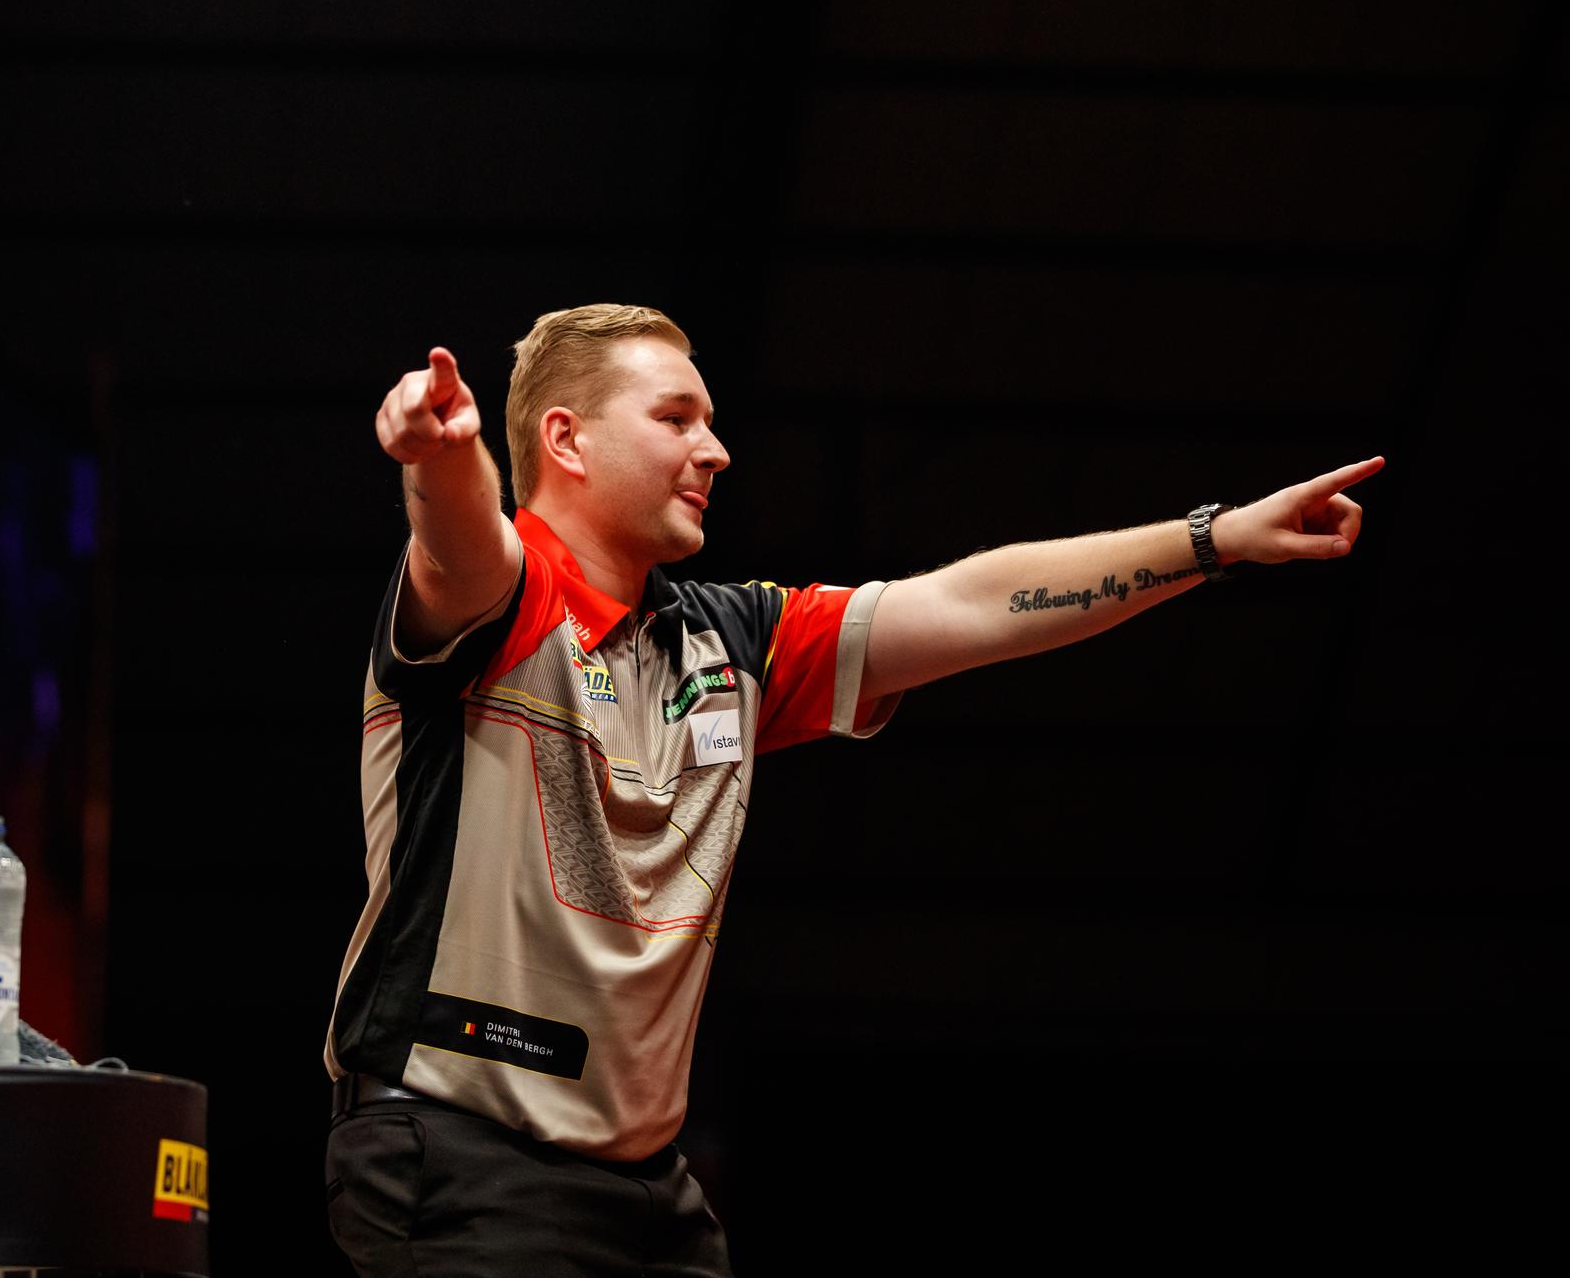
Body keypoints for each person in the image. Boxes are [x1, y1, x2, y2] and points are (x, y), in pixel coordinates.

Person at [324, 303, 1380, 1275]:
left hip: (646, 1192)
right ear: (567, 440)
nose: (715, 449)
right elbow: (458, 537)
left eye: (710, 422)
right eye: (677, 418)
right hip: (460, 1157)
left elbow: (972, 603)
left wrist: (1215, 540)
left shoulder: (733, 643)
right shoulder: (502, 600)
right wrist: (442, 453)